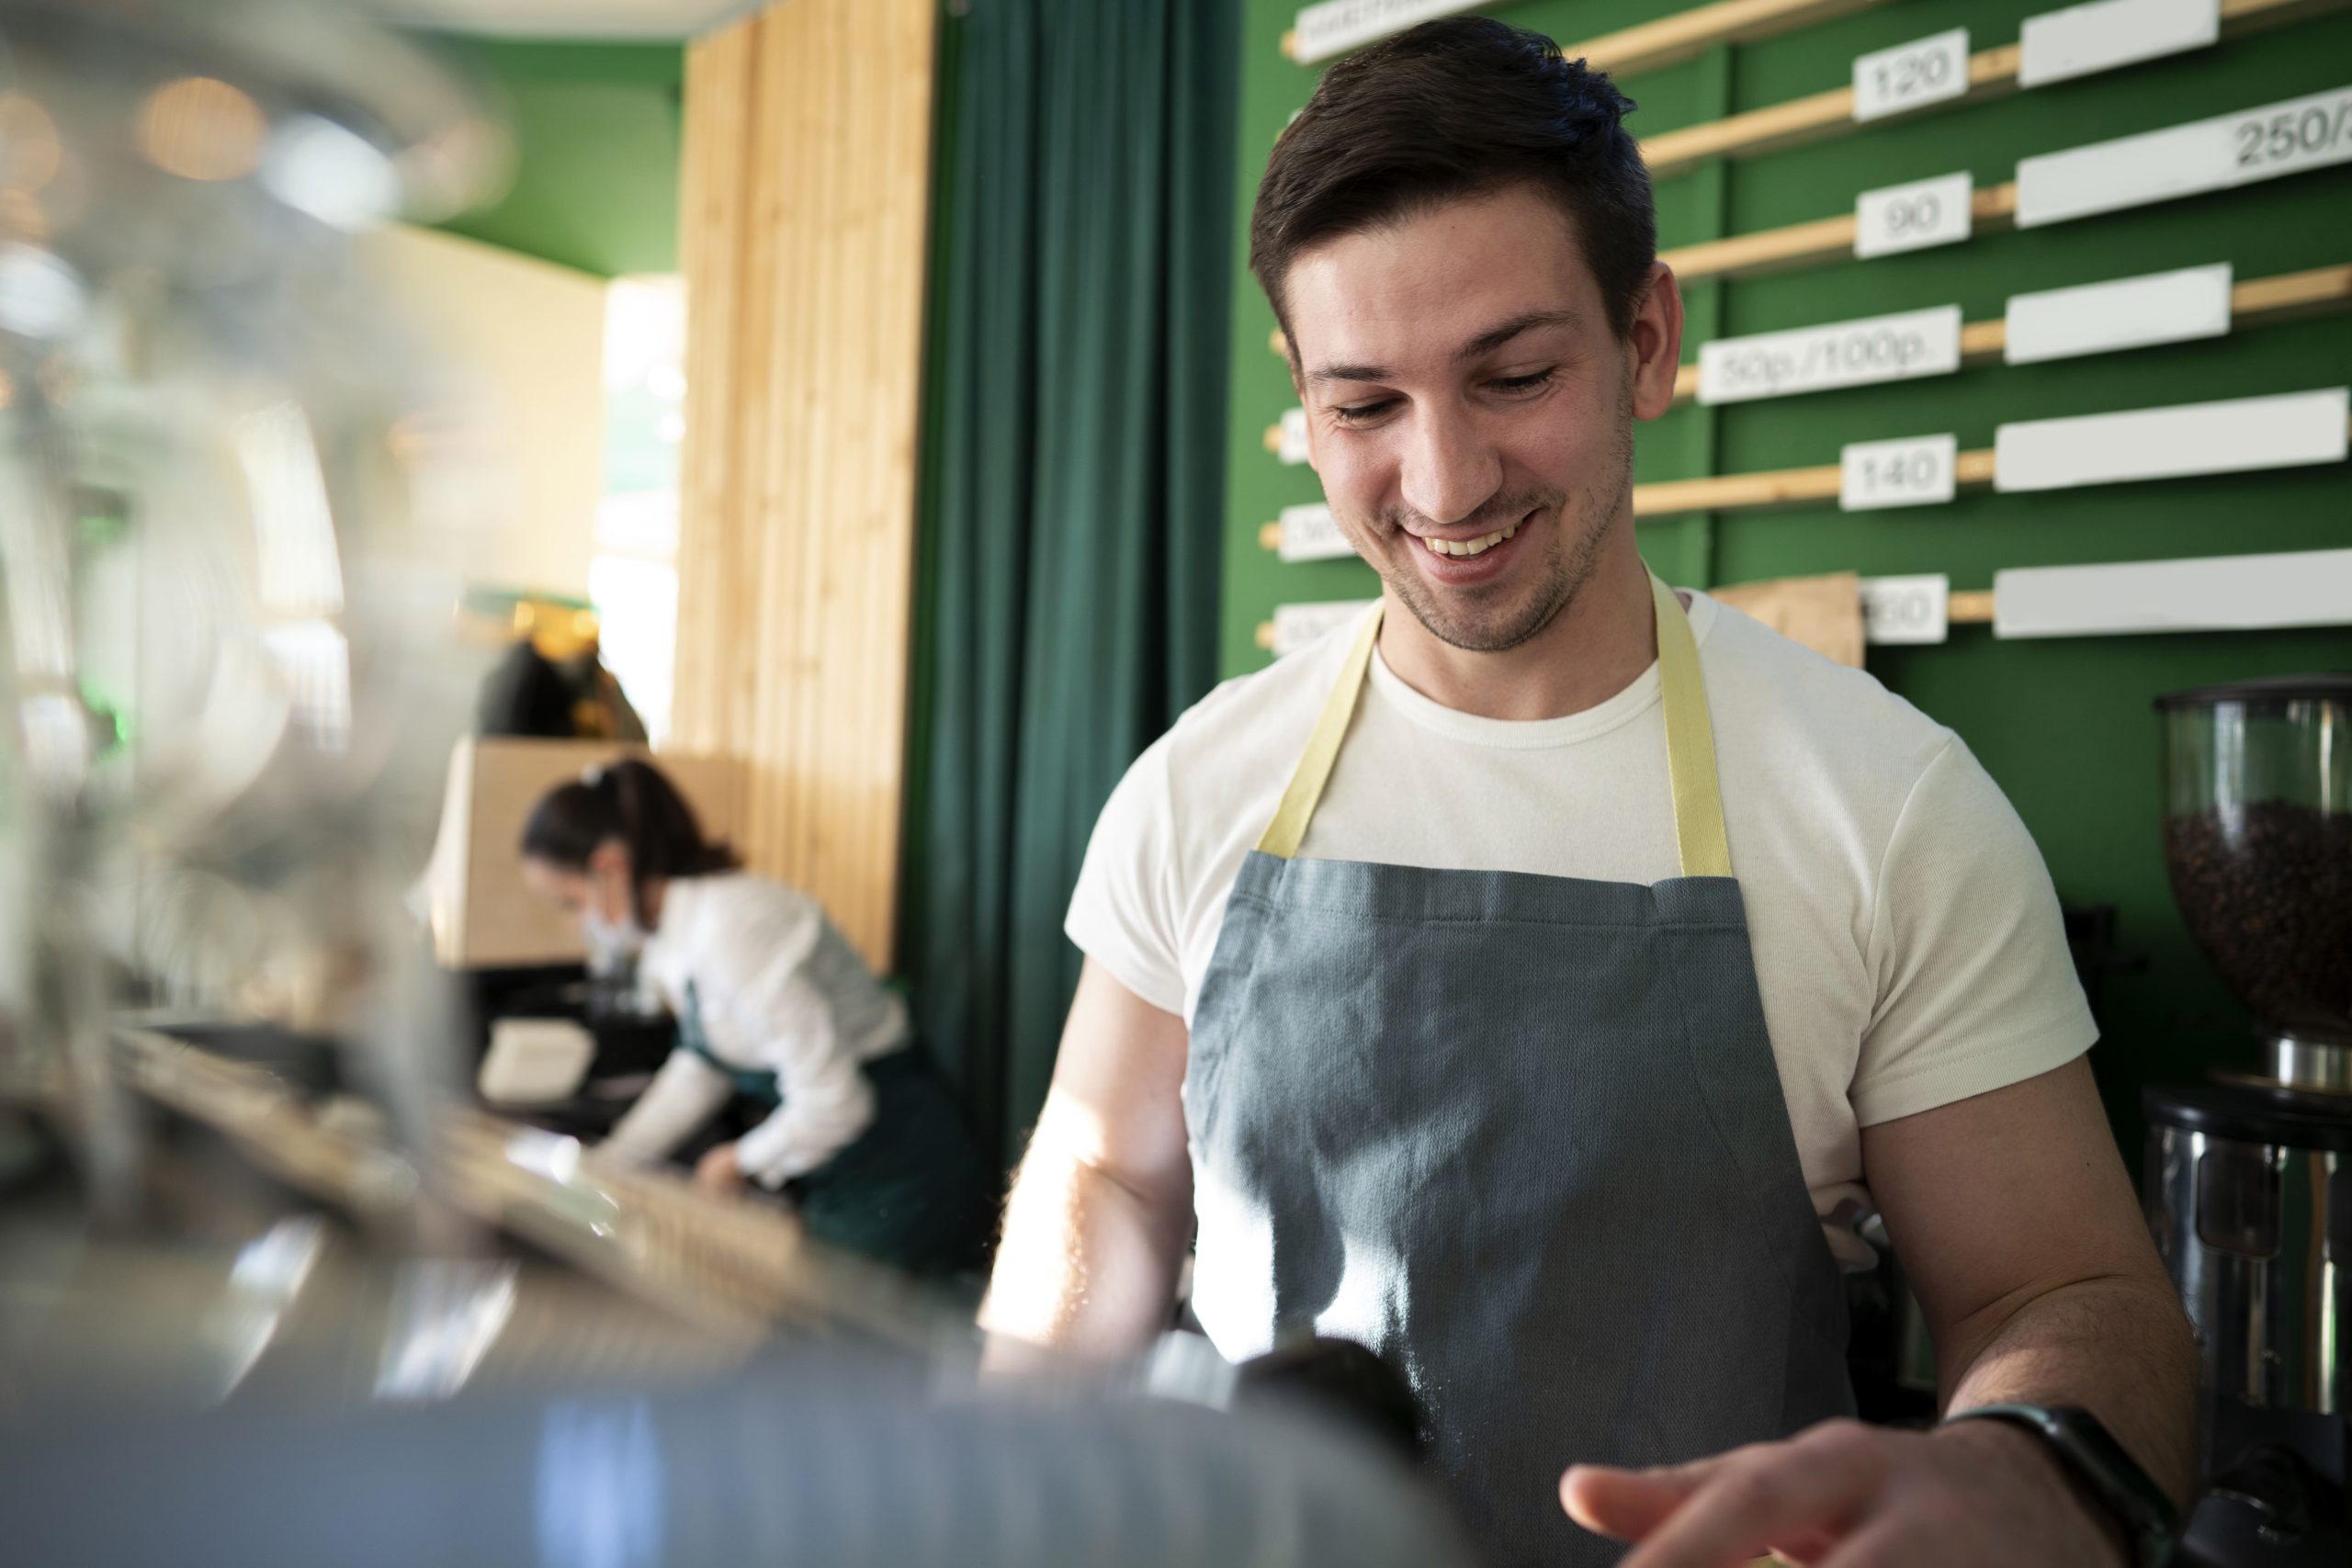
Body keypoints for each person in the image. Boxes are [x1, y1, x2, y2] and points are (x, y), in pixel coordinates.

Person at [980, 18, 2193, 1568]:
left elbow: (2063, 1289)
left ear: (1646, 340)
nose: (1445, 483)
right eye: (1365, 406)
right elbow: (1106, 1170)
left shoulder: (1887, 806)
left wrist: (2030, 1468)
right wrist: (1013, 1443)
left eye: (1514, 375)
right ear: (1301, 396)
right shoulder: (1197, 784)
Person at [519, 759, 985, 1276]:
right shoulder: (674, 939)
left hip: (902, 1169)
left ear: (609, 867)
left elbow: (836, 1102)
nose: (579, 923)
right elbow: (703, 1066)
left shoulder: (731, 928)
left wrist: (736, 1162)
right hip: (838, 1170)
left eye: (570, 903)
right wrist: (612, 1164)